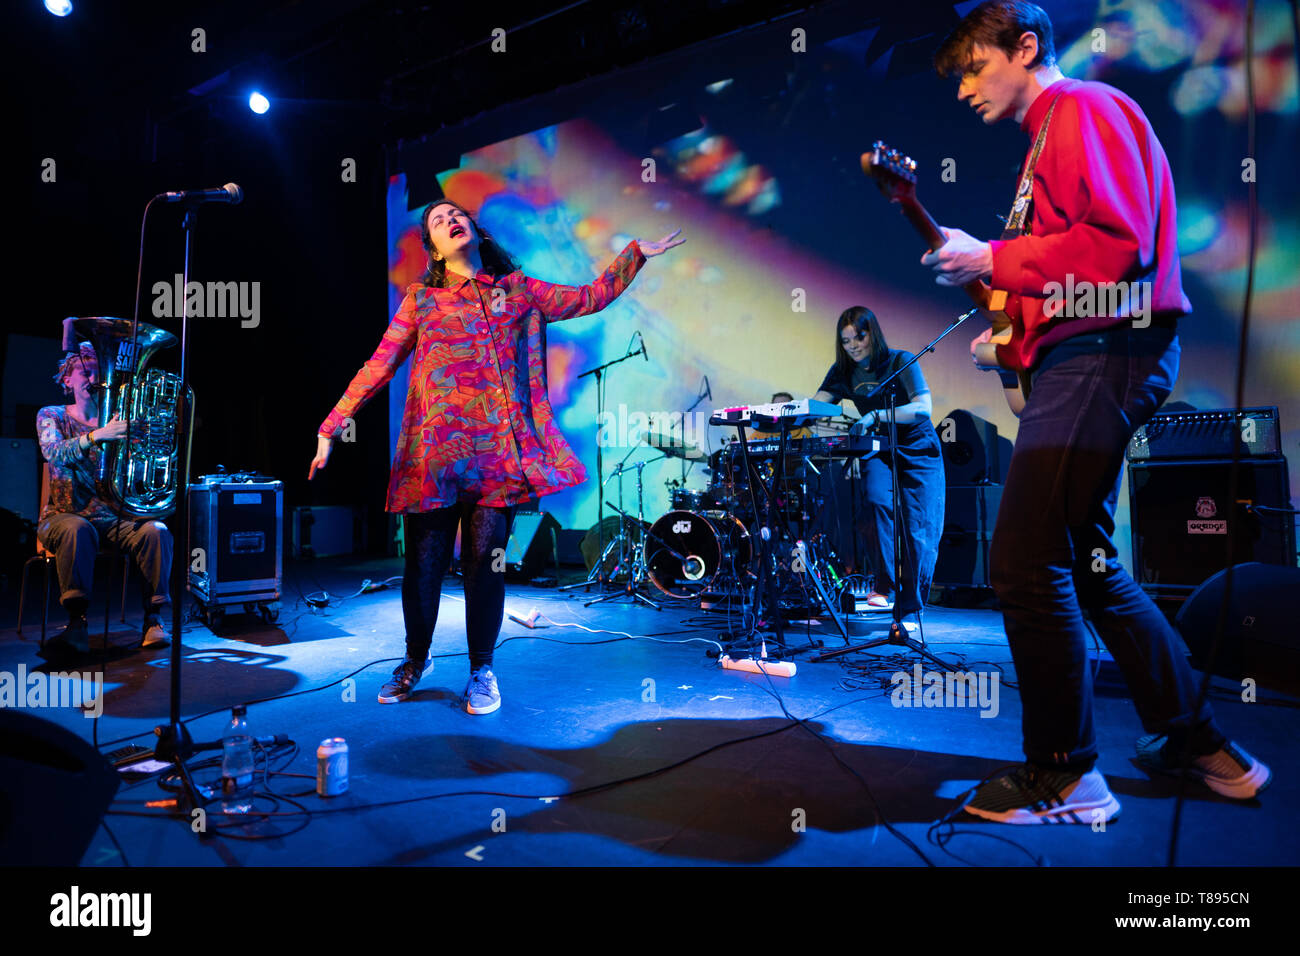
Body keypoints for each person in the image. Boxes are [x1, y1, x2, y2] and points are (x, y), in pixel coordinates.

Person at [924, 0, 1269, 823]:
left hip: (1110, 354)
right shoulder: (1045, 140)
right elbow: (1078, 271)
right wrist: (1015, 338)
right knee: (1086, 561)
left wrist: (994, 256)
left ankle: (1066, 774)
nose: (966, 87)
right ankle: (1201, 745)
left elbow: (1120, 248)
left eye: (976, 65)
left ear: (1026, 47)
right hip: (1086, 353)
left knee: (1022, 555)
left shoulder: (1081, 107)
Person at [310, 198, 683, 714]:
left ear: (475, 231)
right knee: (423, 568)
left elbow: (589, 298)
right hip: (434, 460)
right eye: (439, 221)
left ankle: (482, 670)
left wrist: (635, 254)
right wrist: (333, 426)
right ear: (434, 249)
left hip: (496, 462)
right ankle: (416, 660)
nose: (451, 221)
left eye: (456, 214)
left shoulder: (519, 291)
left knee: (486, 567)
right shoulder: (421, 301)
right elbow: (379, 365)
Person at [35, 343, 173, 663]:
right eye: (85, 371)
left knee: (157, 530)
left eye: (98, 371)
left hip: (111, 517)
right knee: (76, 528)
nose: (93, 377)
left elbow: (137, 471)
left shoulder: (116, 419)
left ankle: (154, 618)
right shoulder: (51, 414)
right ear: (67, 380)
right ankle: (77, 622)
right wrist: (99, 435)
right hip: (62, 515)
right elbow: (53, 453)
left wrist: (145, 440)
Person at [812, 306, 945, 614]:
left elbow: (922, 408)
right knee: (875, 504)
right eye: (846, 341)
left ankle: (911, 604)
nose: (853, 346)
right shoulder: (842, 371)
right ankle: (883, 583)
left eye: (859, 337)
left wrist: (877, 414)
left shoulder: (901, 361)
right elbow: (817, 405)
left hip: (917, 445)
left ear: (873, 333)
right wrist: (777, 414)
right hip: (879, 445)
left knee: (918, 527)